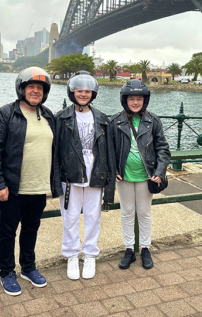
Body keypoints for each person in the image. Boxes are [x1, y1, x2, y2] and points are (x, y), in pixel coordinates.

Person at [0, 66, 61, 296]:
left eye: (40, 88)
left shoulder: (48, 115)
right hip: (13, 187)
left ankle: (28, 267)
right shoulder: (6, 113)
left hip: (39, 186)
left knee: (31, 228)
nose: (35, 91)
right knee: (7, 231)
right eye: (31, 87)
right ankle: (7, 272)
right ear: (22, 89)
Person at [55, 71, 115, 280]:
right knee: (70, 218)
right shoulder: (61, 117)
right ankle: (71, 255)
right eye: (79, 90)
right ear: (72, 92)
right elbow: (56, 150)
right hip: (70, 174)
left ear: (93, 93)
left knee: (93, 217)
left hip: (96, 173)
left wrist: (110, 174)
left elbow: (108, 150)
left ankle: (90, 254)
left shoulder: (102, 118)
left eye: (87, 91)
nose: (83, 94)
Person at [110, 79, 170, 270]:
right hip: (124, 176)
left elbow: (163, 148)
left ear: (145, 100)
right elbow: (108, 150)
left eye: (139, 99)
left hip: (147, 175)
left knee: (144, 213)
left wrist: (159, 172)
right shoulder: (115, 121)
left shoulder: (153, 121)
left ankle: (145, 248)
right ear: (124, 100)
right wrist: (114, 171)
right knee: (127, 213)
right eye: (131, 99)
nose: (135, 102)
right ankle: (129, 249)